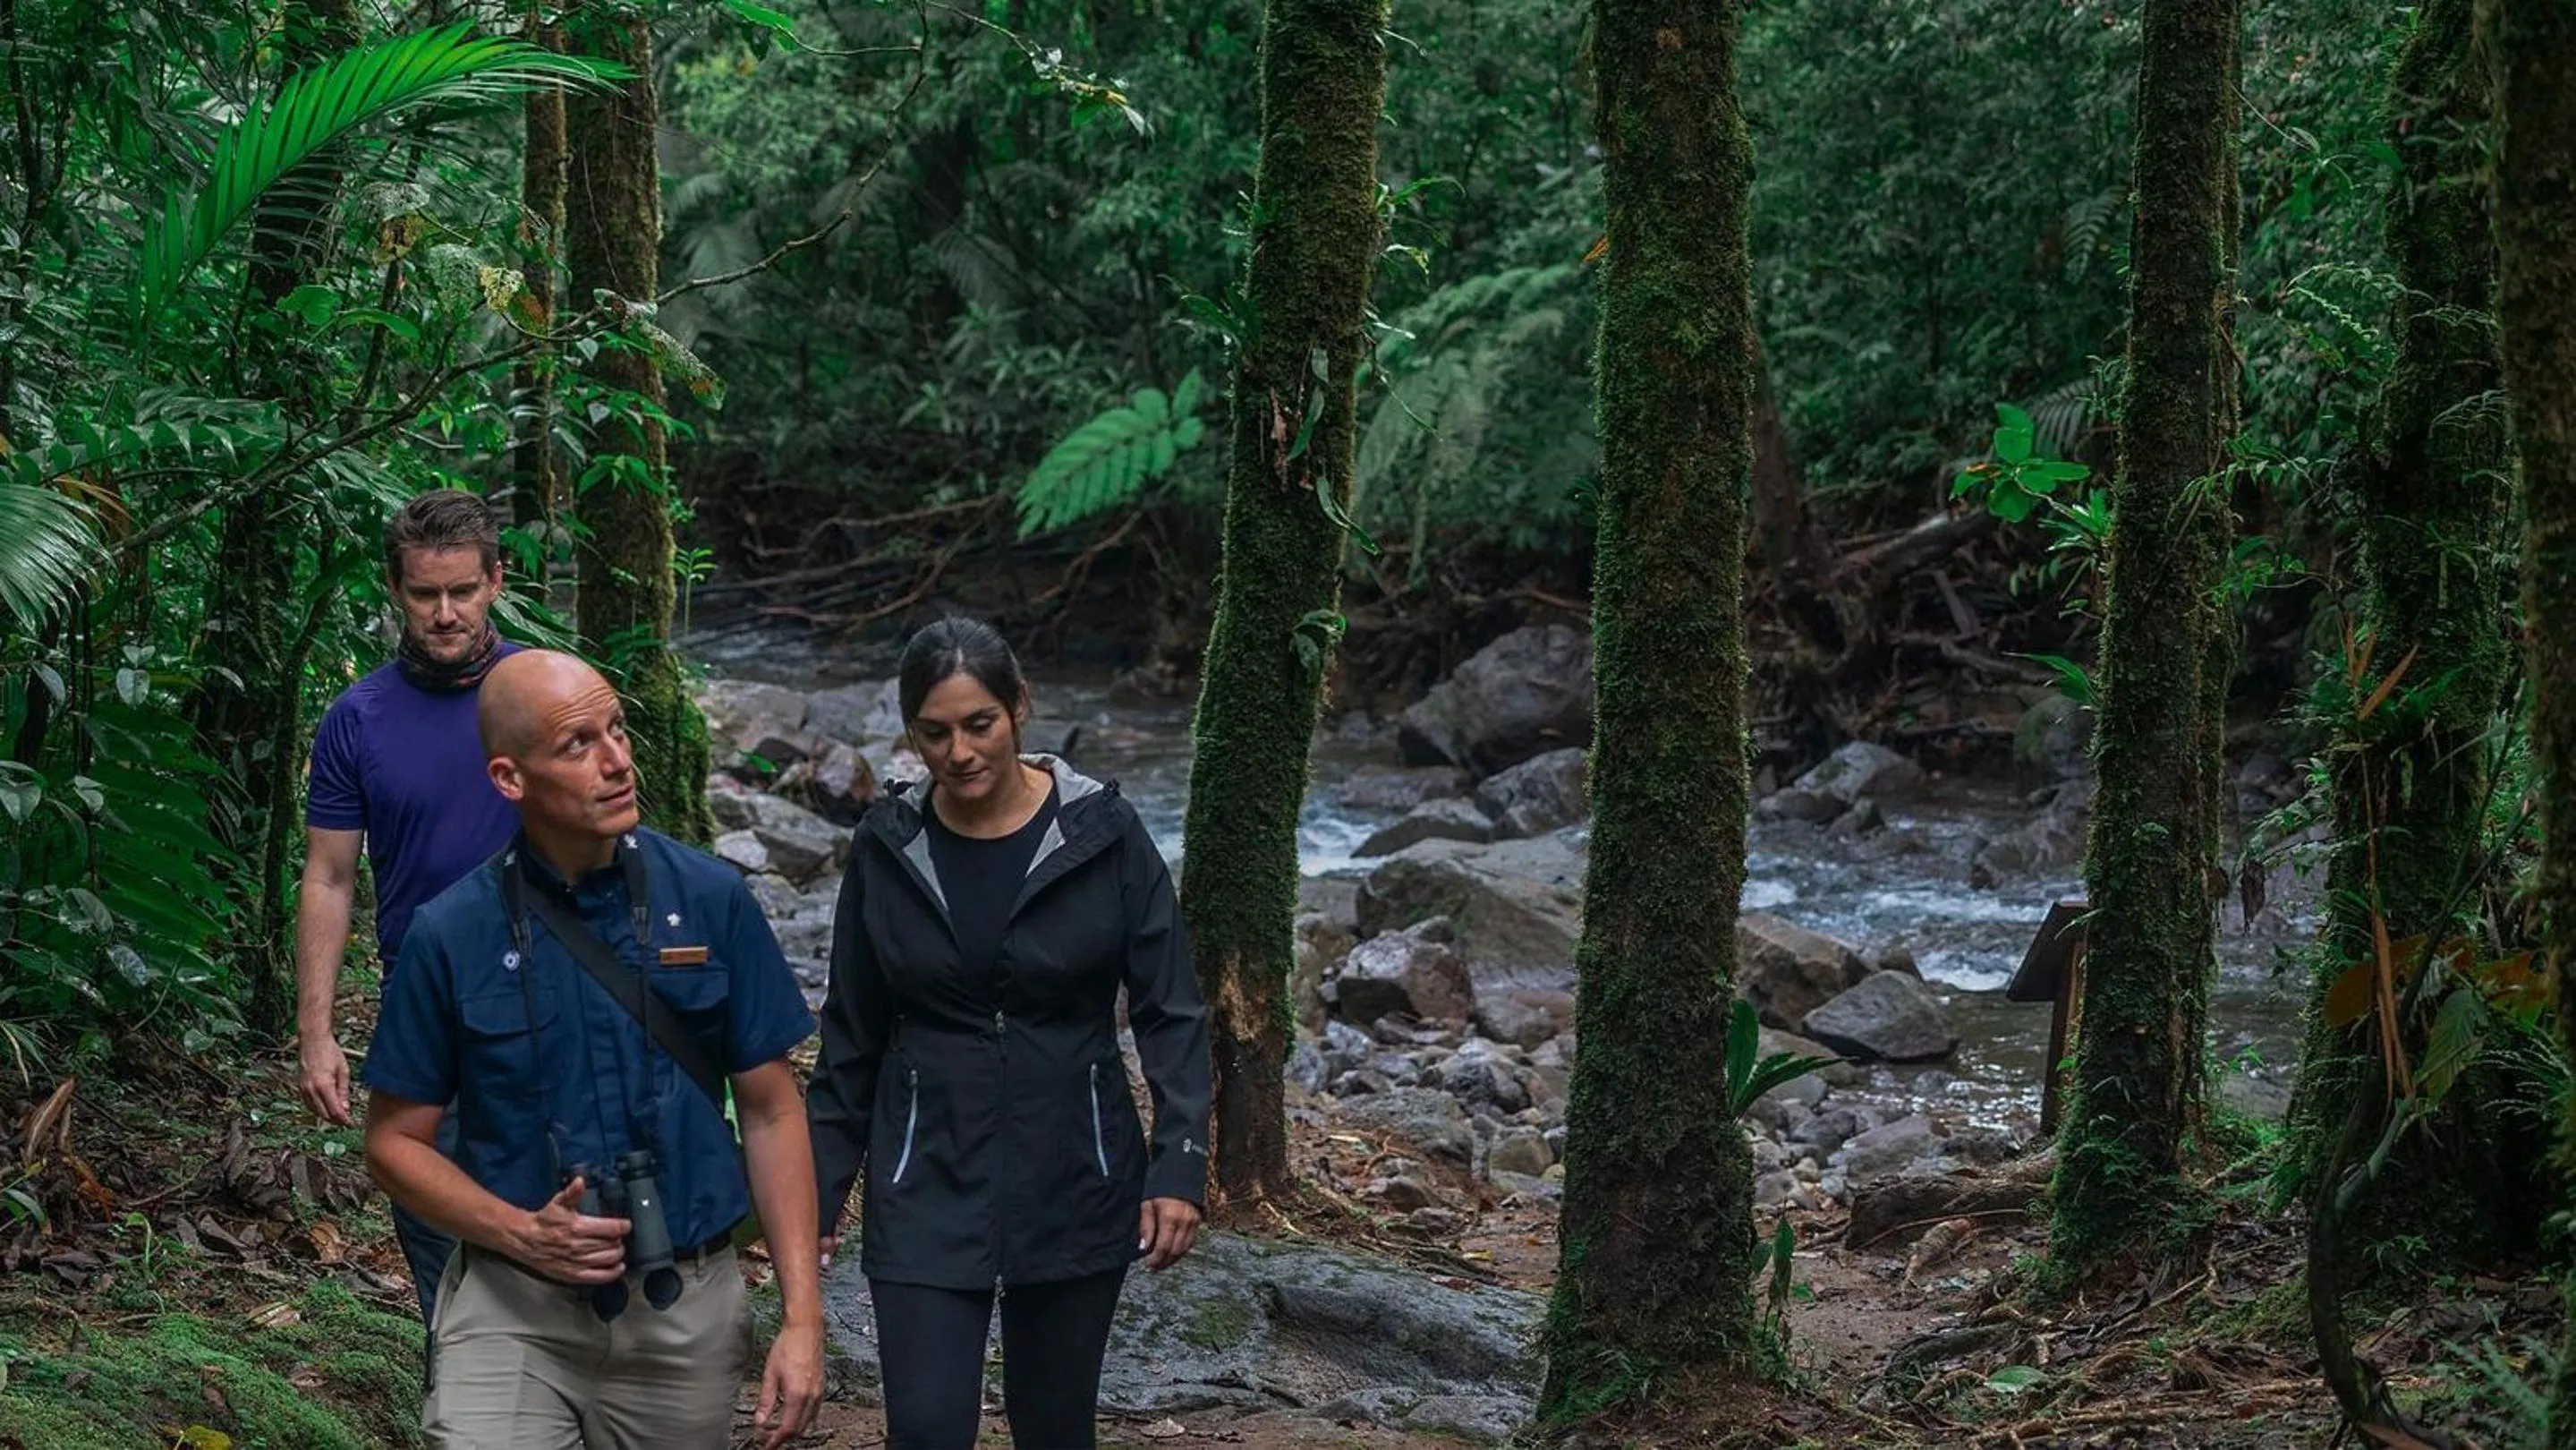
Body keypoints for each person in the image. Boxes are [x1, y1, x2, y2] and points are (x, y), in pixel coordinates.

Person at [361, 650, 826, 1449]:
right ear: (510, 779)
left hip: (684, 1305)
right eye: (577, 745)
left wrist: (802, 1318)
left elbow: (773, 1112)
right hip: (513, 1305)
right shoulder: (452, 933)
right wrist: (514, 1230)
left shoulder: (710, 900)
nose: (616, 762)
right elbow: (393, 1144)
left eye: (617, 731)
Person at [806, 615, 1212, 1450]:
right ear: (910, 732)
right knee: (924, 1429)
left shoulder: (1103, 833)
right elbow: (851, 1034)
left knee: (1055, 1429)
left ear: (1019, 707)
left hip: (1075, 1165)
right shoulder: (888, 846)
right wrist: (815, 1196)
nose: (959, 753)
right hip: (925, 1171)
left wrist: (1179, 1161)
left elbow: (1169, 1006)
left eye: (978, 724)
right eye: (935, 732)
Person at [297, 489, 523, 1331]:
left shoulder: (540, 692)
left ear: (495, 580)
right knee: (438, 1237)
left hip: (554, 1000)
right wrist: (316, 1032)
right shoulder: (358, 718)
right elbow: (328, 877)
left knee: (562, 1229)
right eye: (425, 593)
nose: (444, 612)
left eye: (462, 591)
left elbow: (617, 840)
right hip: (425, 1008)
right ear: (396, 590)